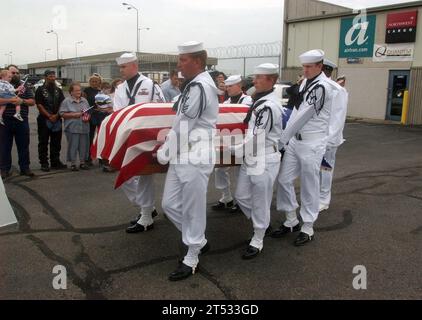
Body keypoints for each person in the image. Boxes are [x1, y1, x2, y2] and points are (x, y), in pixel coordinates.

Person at [158, 41, 218, 281]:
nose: (178, 63)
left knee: (194, 209)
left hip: (195, 154)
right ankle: (199, 240)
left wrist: (164, 152)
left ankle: (192, 256)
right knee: (169, 204)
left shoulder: (201, 87)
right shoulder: (192, 86)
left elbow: (185, 125)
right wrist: (169, 148)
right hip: (180, 153)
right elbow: (179, 121)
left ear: (197, 61)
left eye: (182, 59)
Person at [272, 49, 338, 246]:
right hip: (296, 141)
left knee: (310, 185)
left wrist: (281, 140)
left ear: (319, 66)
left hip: (312, 142)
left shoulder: (322, 87)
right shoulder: (305, 83)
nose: (305, 70)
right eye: (304, 67)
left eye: (309, 67)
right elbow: (295, 111)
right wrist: (287, 139)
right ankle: (291, 219)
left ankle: (307, 226)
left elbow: (304, 116)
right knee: (284, 179)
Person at [229, 64, 283, 259]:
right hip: (252, 155)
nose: (254, 80)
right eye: (255, 77)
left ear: (271, 80)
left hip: (264, 157)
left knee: (261, 200)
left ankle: (258, 237)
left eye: (259, 77)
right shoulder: (259, 101)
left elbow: (258, 137)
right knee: (242, 196)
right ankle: (262, 224)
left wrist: (233, 150)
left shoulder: (268, 106)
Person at [112, 52, 165, 234]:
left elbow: (160, 108)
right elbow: (117, 113)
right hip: (128, 137)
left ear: (134, 66)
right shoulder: (120, 89)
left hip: (146, 138)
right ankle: (147, 208)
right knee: (126, 175)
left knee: (144, 175)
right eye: (120, 67)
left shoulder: (150, 86)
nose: (121, 70)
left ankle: (146, 216)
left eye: (123, 67)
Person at [211, 75, 253, 214]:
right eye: (227, 86)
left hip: (244, 141)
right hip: (228, 141)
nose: (227, 89)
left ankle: (243, 201)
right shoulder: (226, 102)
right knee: (219, 169)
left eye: (230, 86)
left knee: (241, 171)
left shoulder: (248, 101)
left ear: (240, 86)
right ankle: (227, 197)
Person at [319, 60, 349, 212]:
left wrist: (329, 140)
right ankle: (317, 196)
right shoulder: (321, 87)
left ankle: (324, 199)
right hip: (317, 139)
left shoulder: (337, 90)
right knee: (315, 170)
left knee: (325, 169)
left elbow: (338, 118)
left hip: (328, 140)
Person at [0, 65, 36, 179]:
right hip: (5, 121)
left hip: (21, 121)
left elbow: (32, 101)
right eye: (12, 73)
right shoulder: (2, 85)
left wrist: (22, 101)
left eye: (16, 73)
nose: (14, 75)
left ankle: (25, 168)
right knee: (4, 146)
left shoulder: (24, 86)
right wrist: (10, 100)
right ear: (7, 73)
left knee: (24, 146)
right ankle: (4, 169)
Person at [35, 70, 67, 172]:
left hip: (57, 119)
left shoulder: (58, 90)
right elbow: (39, 105)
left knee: (56, 142)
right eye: (50, 76)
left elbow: (63, 104)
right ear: (45, 77)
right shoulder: (40, 90)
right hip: (44, 120)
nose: (52, 78)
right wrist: (49, 116)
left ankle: (55, 161)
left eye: (53, 76)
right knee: (43, 142)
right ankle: (44, 163)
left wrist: (56, 115)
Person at [59, 82, 91, 171]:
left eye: (79, 90)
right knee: (73, 146)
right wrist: (74, 115)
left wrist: (87, 117)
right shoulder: (66, 101)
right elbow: (62, 113)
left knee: (84, 145)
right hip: (72, 128)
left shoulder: (84, 100)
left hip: (84, 127)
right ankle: (73, 163)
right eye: (76, 90)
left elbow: (88, 112)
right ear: (71, 92)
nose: (78, 92)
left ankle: (82, 163)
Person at [83, 74, 102, 166]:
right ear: (90, 82)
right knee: (89, 137)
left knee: (101, 137)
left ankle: (102, 158)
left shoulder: (102, 91)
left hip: (101, 115)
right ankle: (88, 157)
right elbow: (83, 103)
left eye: (96, 81)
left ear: (99, 82)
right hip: (91, 115)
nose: (94, 83)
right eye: (92, 81)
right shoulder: (86, 91)